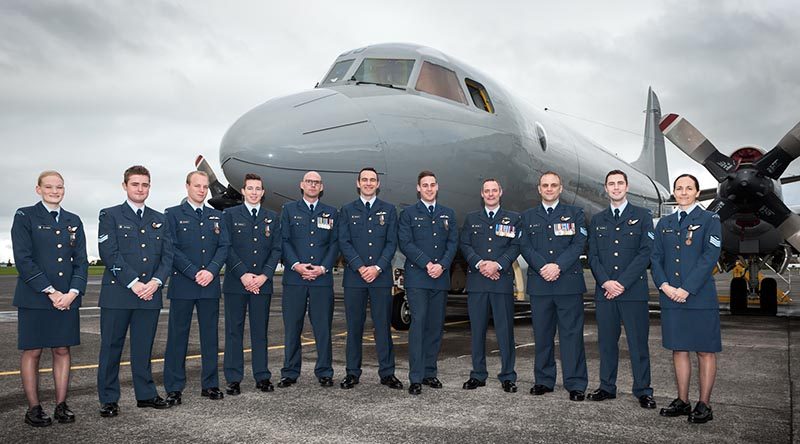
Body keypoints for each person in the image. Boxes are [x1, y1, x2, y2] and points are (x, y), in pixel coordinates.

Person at [12, 171, 88, 427]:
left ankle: (61, 405)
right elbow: (23, 259)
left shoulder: (73, 220)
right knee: (32, 351)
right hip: (35, 296)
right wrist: (51, 291)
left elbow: (81, 262)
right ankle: (33, 408)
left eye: (59, 187)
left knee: (62, 349)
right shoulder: (25, 216)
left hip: (67, 298)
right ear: (38, 189)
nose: (55, 191)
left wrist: (72, 293)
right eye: (49, 187)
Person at [97, 165, 174, 417]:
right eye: (135, 184)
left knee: (143, 347)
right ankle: (109, 399)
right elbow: (109, 253)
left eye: (145, 184)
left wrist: (156, 282)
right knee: (111, 347)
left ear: (149, 187)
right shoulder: (109, 215)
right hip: (119, 294)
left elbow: (167, 257)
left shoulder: (160, 219)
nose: (140, 189)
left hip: (150, 294)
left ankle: (146, 394)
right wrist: (134, 283)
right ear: (125, 186)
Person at [651, 174, 722, 424]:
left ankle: (704, 404)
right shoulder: (665, 223)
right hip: (671, 296)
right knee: (679, 349)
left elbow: (710, 256)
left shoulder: (710, 219)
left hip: (700, 296)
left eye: (688, 188)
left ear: (697, 192)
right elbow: (656, 257)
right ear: (674, 192)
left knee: (705, 350)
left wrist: (687, 288)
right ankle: (682, 401)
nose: (683, 192)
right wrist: (665, 285)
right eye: (679, 188)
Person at [586, 170, 656, 409]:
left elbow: (645, 252)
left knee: (638, 343)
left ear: (627, 187)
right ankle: (606, 387)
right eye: (611, 184)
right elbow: (593, 256)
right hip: (606, 292)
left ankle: (643, 390)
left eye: (620, 183)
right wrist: (606, 282)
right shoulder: (597, 220)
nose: (615, 188)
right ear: (605, 188)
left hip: (633, 292)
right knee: (606, 343)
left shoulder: (643, 216)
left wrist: (622, 283)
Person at [163, 171, 230, 405]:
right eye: (197, 186)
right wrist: (193, 272)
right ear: (187, 187)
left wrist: (211, 270)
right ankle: (173, 387)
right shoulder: (172, 215)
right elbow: (170, 248)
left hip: (209, 285)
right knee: (177, 337)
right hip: (183, 284)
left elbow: (224, 247)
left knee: (210, 338)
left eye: (204, 187)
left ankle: (210, 384)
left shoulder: (217, 216)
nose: (202, 190)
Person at [519, 171, 588, 401]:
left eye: (554, 185)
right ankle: (544, 380)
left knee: (572, 336)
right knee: (542, 335)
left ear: (561, 189)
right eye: (545, 185)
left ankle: (576, 383)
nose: (549, 189)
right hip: (540, 286)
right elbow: (525, 246)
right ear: (539, 189)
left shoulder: (575, 214)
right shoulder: (527, 217)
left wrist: (557, 266)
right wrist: (543, 267)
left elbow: (579, 244)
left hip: (567, 284)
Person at [338, 167, 403, 390]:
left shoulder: (389, 210)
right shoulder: (347, 210)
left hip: (380, 277)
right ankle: (352, 373)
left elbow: (391, 243)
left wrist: (376, 267)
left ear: (378, 184)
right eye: (364, 180)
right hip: (355, 279)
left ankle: (387, 373)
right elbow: (344, 242)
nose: (368, 183)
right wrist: (360, 266)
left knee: (383, 327)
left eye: (372, 180)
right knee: (354, 327)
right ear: (358, 183)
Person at [398, 170, 458, 395]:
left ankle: (430, 373)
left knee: (435, 327)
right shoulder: (409, 214)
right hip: (418, 278)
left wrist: (441, 265)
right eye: (425, 185)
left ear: (437, 187)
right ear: (418, 188)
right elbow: (405, 242)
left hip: (440, 278)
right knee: (419, 324)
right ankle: (415, 377)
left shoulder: (447, 214)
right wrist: (427, 264)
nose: (429, 188)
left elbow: (453, 243)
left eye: (433, 185)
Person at [278, 171, 339, 388]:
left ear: (321, 187)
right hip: (295, 279)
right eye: (309, 182)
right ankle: (290, 372)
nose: (313, 185)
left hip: (321, 280)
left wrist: (322, 268)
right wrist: (296, 265)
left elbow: (335, 244)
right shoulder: (289, 210)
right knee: (292, 327)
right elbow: (284, 241)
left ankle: (324, 371)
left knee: (322, 327)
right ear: (301, 185)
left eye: (317, 183)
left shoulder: (331, 213)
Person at [459, 178, 520, 393]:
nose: (491, 194)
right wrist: (480, 264)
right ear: (482, 194)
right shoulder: (472, 219)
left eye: (494, 190)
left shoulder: (513, 218)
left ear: (500, 192)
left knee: (505, 331)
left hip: (501, 282)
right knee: (477, 331)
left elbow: (515, 246)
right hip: (477, 282)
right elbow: (465, 245)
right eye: (487, 191)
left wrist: (498, 265)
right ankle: (478, 374)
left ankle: (508, 376)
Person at [222, 173, 281, 395]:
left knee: (260, 332)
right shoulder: (229, 215)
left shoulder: (272, 217)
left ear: (263, 192)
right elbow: (226, 247)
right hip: (236, 284)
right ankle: (233, 378)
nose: (254, 192)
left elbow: (276, 249)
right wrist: (244, 275)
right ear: (243, 191)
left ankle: (262, 376)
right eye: (250, 188)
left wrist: (264, 276)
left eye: (258, 188)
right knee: (234, 331)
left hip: (262, 284)